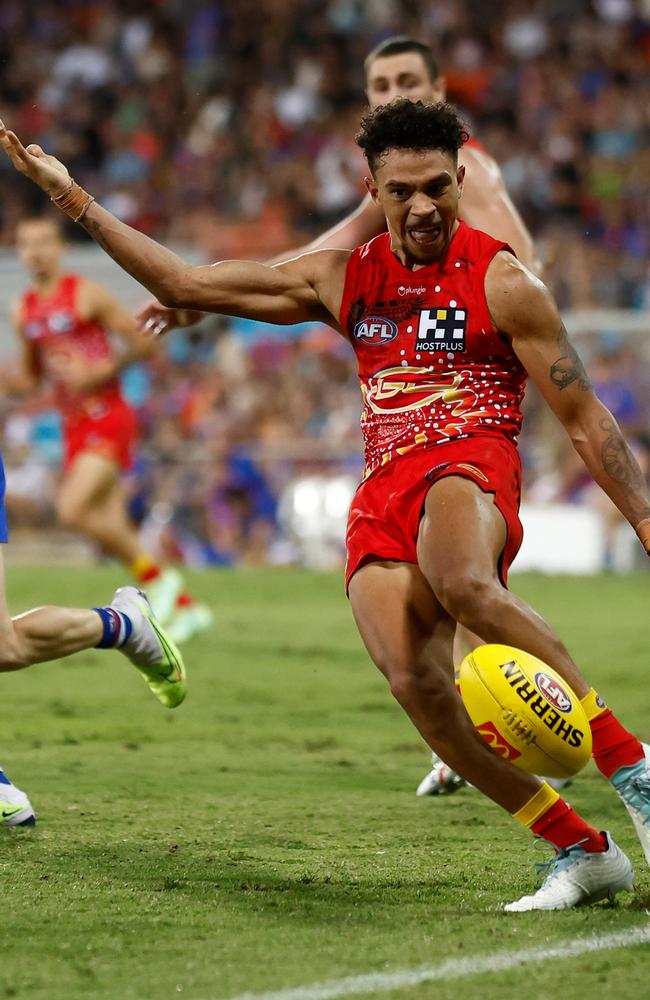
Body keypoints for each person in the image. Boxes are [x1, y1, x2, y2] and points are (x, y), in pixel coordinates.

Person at [4, 100, 650, 912]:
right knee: (417, 685)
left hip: (470, 458)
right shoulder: (341, 277)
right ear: (373, 190)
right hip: (383, 485)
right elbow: (181, 284)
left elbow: (587, 418)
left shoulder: (502, 279)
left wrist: (643, 516)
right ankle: (582, 852)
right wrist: (72, 198)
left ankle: (632, 767)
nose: (423, 206)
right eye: (402, 189)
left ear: (459, 181)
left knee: (463, 583)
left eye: (439, 187)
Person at [136, 35, 540, 794]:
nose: (391, 92)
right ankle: (485, 722)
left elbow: (515, 266)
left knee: (462, 572)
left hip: (482, 370)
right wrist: (210, 296)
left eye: (407, 80)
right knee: (453, 572)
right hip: (440, 377)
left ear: (439, 89)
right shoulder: (397, 182)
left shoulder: (463, 170)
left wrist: (503, 326)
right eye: (380, 82)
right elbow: (326, 252)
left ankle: (558, 727)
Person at [8, 217, 212, 644]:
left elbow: (143, 338)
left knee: (73, 509)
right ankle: (184, 607)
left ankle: (162, 585)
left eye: (44, 241)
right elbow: (30, 379)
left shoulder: (84, 294)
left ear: (60, 248)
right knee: (108, 520)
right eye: (26, 244)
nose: (36, 252)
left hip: (108, 415)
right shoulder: (23, 310)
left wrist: (103, 369)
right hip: (73, 425)